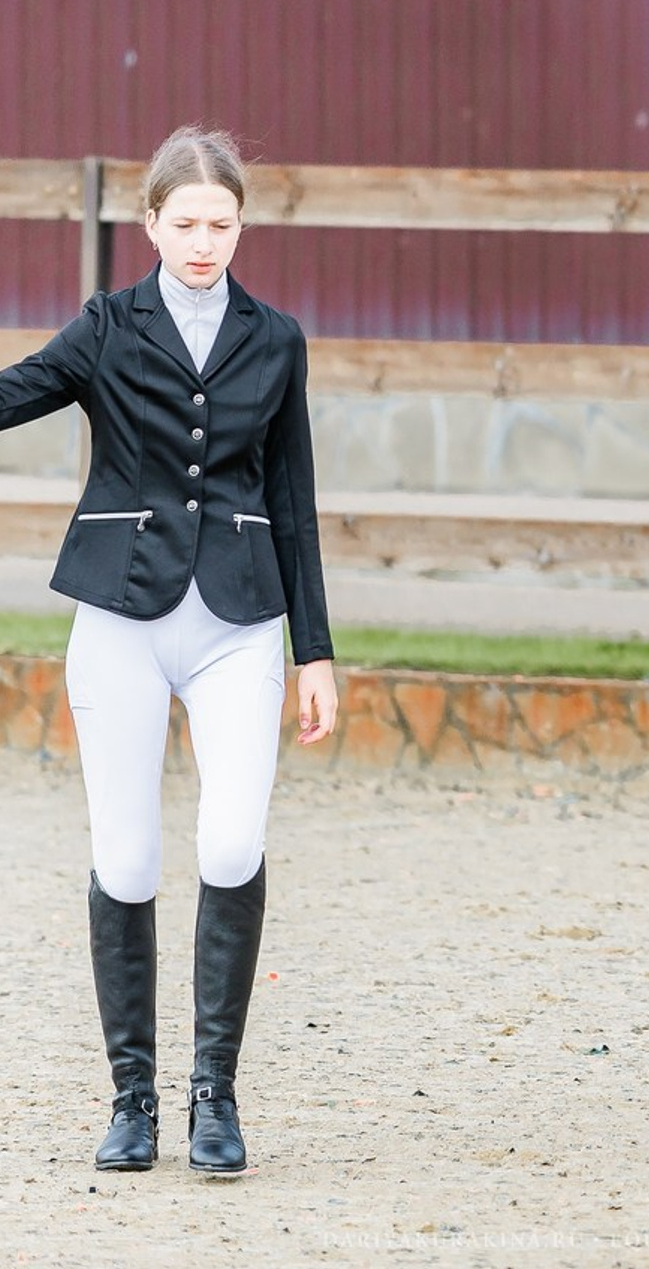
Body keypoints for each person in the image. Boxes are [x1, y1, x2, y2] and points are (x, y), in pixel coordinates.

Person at [0, 126, 338, 1175]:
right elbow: (14, 392)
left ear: (242, 225)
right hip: (120, 618)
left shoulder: (274, 338)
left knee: (231, 844)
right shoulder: (107, 326)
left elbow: (294, 497)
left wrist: (314, 649)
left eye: (221, 224)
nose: (203, 242)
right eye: (185, 224)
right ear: (150, 223)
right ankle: (133, 1099)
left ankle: (216, 1096)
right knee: (129, 856)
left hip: (239, 619)